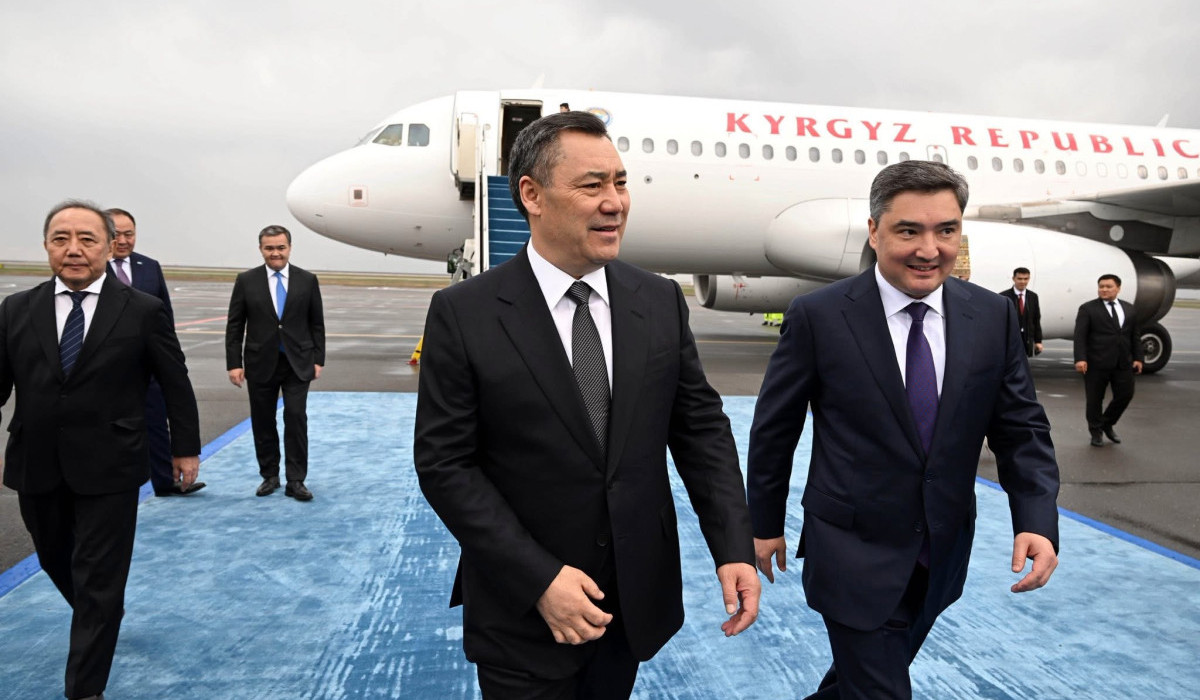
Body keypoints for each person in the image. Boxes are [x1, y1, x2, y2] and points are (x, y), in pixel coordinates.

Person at [414, 111, 759, 699]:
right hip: (521, 613)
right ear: (532, 195)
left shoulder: (658, 300)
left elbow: (701, 431)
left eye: (621, 183)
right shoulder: (465, 314)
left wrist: (732, 547)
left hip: (629, 603)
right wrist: (539, 579)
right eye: (592, 185)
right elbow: (445, 465)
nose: (614, 203)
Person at [748, 161, 1060, 700]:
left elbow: (1020, 427)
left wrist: (1035, 517)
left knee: (856, 684)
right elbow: (775, 430)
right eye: (909, 231)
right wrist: (764, 521)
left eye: (946, 230)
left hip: (940, 552)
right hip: (850, 552)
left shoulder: (991, 316)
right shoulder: (819, 316)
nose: (929, 249)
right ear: (874, 231)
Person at [0, 201, 201, 700]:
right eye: (61, 239)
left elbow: (174, 382)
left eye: (86, 239)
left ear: (110, 247)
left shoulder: (142, 310)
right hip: (36, 461)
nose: (73, 250)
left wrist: (185, 448)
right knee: (55, 558)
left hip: (112, 463)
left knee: (99, 576)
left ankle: (85, 689)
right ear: (46, 246)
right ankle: (103, 608)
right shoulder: (16, 309)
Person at [106, 207, 205, 496]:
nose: (123, 240)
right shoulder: (93, 268)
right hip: (110, 367)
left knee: (157, 424)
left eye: (129, 234)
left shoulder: (149, 266)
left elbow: (164, 313)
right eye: (116, 234)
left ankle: (165, 481)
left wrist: (169, 355)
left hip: (148, 364)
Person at [225, 225, 324, 501]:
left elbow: (316, 323)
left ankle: (296, 480)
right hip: (260, 362)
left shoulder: (307, 280)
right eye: (269, 248)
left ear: (289, 248)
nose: (275, 253)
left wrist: (318, 359)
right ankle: (269, 475)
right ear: (261, 249)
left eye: (281, 247)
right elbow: (235, 325)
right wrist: (234, 363)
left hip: (298, 362)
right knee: (263, 420)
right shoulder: (246, 281)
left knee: (296, 417)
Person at [1073, 274, 1143, 447]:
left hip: (1122, 362)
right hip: (1096, 362)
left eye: (1108, 286)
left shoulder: (1129, 309)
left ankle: (1107, 423)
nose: (1104, 289)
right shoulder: (1088, 309)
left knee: (1126, 394)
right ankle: (1096, 432)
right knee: (1095, 400)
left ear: (1118, 288)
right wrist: (1080, 358)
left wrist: (1138, 358)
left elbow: (1134, 335)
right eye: (1101, 286)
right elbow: (1080, 336)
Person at [999, 266, 1043, 357]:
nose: (1023, 282)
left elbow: (1036, 319)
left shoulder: (1033, 297)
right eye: (1019, 279)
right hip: (1010, 339)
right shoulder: (1004, 296)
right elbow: (999, 320)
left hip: (1026, 338)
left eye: (1025, 279)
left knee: (1024, 362)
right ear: (1013, 279)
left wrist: (1038, 341)